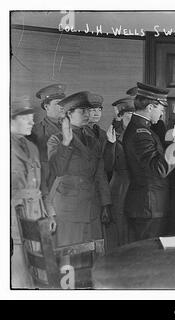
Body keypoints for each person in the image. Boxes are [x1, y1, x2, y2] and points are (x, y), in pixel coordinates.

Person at [123, 82, 175, 240]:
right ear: (150, 107)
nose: (161, 114)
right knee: (146, 257)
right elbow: (158, 169)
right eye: (160, 109)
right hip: (148, 207)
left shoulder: (144, 130)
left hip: (150, 206)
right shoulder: (141, 134)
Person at [47, 91, 112, 247]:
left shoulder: (93, 140)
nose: (87, 114)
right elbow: (57, 171)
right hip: (69, 210)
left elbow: (100, 174)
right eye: (82, 111)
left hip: (92, 209)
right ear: (69, 114)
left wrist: (105, 204)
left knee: (93, 256)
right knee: (69, 258)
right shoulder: (56, 139)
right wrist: (66, 143)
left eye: (88, 111)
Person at [11, 100, 56, 288]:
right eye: (26, 118)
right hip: (14, 216)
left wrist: (50, 211)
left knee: (37, 267)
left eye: (32, 118)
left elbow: (43, 185)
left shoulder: (32, 147)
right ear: (10, 121)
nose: (32, 122)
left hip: (37, 214)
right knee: (18, 267)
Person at [29, 84, 67, 215]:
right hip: (49, 188)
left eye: (64, 103)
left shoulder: (73, 128)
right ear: (46, 106)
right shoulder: (35, 131)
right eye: (58, 103)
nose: (62, 106)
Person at [102, 97, 135, 250]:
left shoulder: (141, 133)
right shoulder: (112, 135)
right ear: (120, 117)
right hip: (121, 189)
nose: (133, 119)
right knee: (121, 232)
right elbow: (107, 166)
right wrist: (111, 144)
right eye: (129, 115)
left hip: (137, 187)